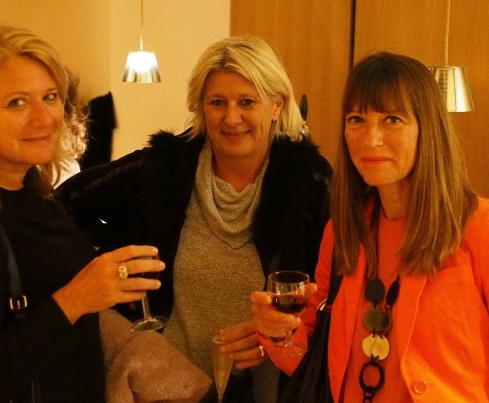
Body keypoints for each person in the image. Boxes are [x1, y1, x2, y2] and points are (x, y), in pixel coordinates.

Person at [57, 35, 333, 402]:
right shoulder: (165, 169)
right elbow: (65, 203)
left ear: (276, 105)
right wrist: (115, 257)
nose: (231, 118)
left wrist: (279, 335)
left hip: (269, 389)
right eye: (217, 102)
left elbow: (331, 294)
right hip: (165, 385)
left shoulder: (310, 181)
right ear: (201, 107)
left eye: (247, 102)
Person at [0, 24, 165, 402]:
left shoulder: (31, 189)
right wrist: (76, 298)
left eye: (50, 97)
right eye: (17, 103)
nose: (45, 118)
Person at [251, 51, 489, 401]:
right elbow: (312, 361)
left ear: (428, 129)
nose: (371, 139)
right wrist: (277, 332)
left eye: (392, 120)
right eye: (357, 119)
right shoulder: (343, 231)